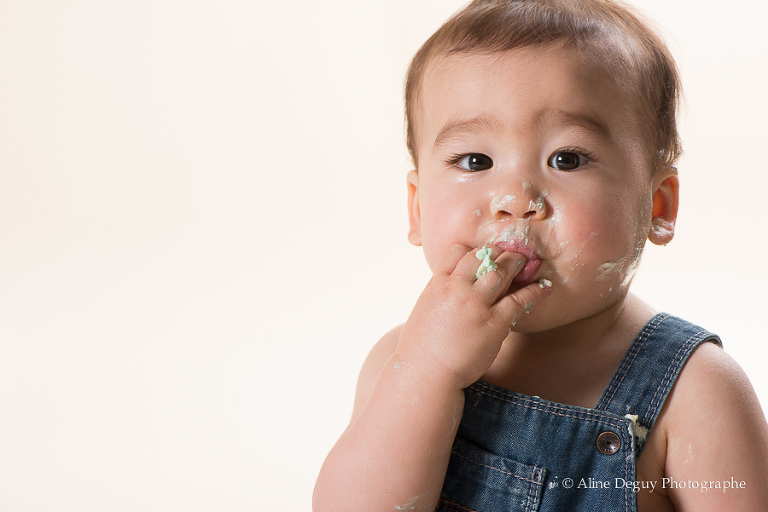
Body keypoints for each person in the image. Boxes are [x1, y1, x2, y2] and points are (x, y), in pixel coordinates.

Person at [313, 0, 768, 510]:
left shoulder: (698, 393)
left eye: (566, 159)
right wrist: (427, 372)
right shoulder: (399, 364)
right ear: (417, 209)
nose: (515, 200)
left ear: (657, 205)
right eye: (474, 160)